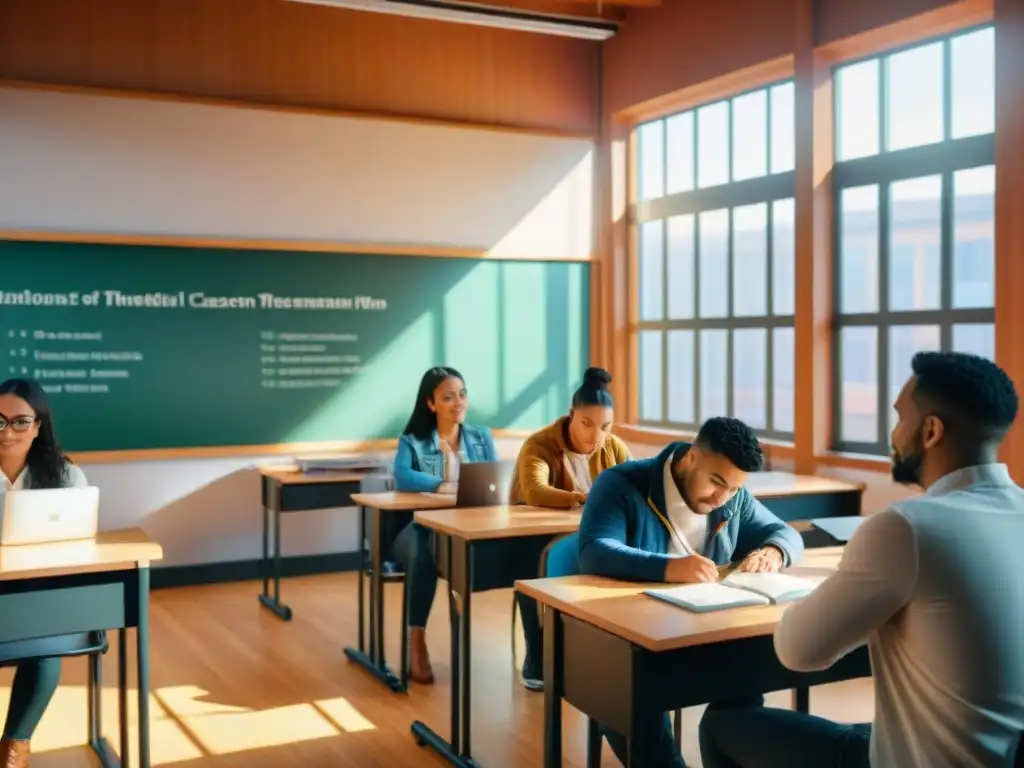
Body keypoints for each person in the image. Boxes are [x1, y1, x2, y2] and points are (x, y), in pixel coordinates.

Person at [699, 351, 1024, 768]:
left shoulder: (905, 528)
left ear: (930, 430)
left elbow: (799, 651)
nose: (894, 433)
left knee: (721, 725)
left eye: (900, 417)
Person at [578, 416, 804, 768]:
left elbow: (786, 533)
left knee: (747, 680)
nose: (721, 498)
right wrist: (670, 566)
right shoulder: (621, 482)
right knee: (634, 695)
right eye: (716, 482)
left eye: (732, 488)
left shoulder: (733, 497)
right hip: (630, 637)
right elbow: (595, 550)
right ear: (692, 456)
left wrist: (773, 551)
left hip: (706, 631)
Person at [508, 366, 632, 691]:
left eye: (605, 426)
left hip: (592, 534)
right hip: (536, 534)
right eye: (587, 424)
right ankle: (537, 652)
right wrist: (586, 498)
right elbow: (534, 490)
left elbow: (634, 487)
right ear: (570, 416)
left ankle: (608, 652)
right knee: (529, 562)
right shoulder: (541, 443)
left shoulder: (613, 447)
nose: (596, 436)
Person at [0, 378, 89, 768]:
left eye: (20, 421)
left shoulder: (67, 477)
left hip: (40, 597)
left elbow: (84, 546)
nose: (8, 432)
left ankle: (13, 750)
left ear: (38, 426)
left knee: (47, 644)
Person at [391, 366, 497, 684]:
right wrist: (442, 482)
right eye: (448, 397)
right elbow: (403, 475)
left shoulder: (480, 437)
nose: (458, 402)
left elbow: (492, 478)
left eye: (462, 394)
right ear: (431, 403)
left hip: (466, 525)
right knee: (425, 552)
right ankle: (416, 639)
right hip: (418, 527)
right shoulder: (416, 441)